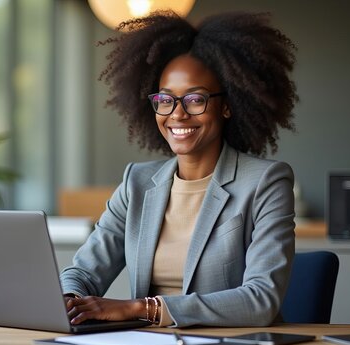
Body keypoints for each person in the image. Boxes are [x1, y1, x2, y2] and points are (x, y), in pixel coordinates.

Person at [60, 10, 298, 328]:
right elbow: (83, 271)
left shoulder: (266, 182)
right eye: (166, 100)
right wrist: (68, 299)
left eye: (195, 99)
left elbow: (260, 299)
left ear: (227, 105)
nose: (177, 114)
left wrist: (142, 309)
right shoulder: (137, 183)